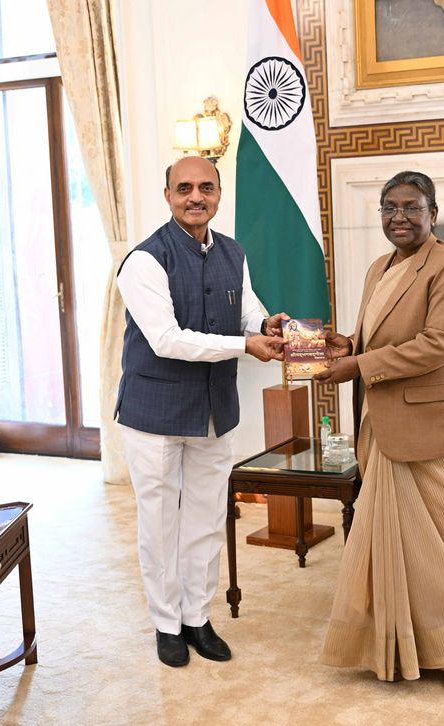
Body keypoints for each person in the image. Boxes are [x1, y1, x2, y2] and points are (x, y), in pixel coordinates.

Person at [315, 171, 444, 696]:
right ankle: (400, 647)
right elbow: (381, 336)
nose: (400, 217)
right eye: (390, 207)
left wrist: (358, 366)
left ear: (432, 214)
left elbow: (441, 343)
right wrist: (347, 344)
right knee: (402, 552)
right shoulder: (380, 268)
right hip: (389, 426)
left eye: (412, 207)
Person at [115, 156, 286, 668]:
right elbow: (167, 340)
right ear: (167, 195)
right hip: (155, 414)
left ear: (218, 195)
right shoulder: (144, 261)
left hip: (214, 409)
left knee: (208, 520)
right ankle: (167, 624)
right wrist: (245, 344)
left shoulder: (233, 251)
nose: (196, 197)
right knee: (160, 523)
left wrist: (264, 324)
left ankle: (197, 617)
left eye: (206, 188)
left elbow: (247, 308)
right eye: (184, 188)